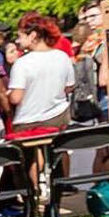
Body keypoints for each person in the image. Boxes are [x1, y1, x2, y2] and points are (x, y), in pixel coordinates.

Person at [7, 11, 76, 139]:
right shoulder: (62, 57)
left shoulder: (22, 63)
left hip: (28, 121)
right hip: (57, 117)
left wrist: (9, 94)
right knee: (60, 151)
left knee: (32, 156)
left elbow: (16, 98)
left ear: (32, 35)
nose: (17, 40)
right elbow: (69, 87)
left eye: (20, 36)